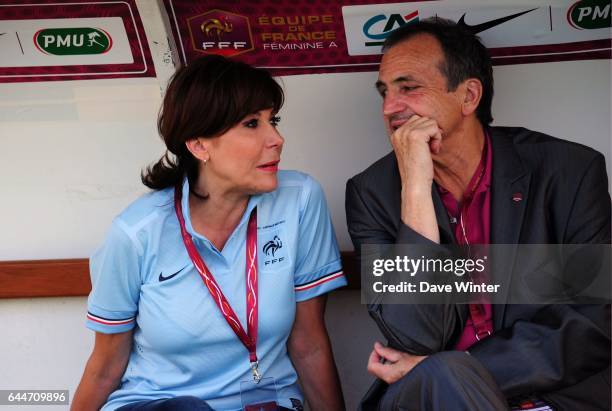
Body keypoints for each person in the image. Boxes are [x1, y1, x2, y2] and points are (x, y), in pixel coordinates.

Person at [345, 18, 611, 411]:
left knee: (450, 371)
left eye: (409, 88)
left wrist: (472, 367)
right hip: (429, 396)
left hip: (555, 395)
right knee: (444, 376)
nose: (389, 108)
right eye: (384, 92)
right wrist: (415, 189)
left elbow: (595, 321)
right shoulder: (373, 193)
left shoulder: (567, 171)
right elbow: (415, 337)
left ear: (469, 96)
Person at [72, 55, 346, 411]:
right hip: (160, 405)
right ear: (199, 145)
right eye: (252, 124)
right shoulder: (137, 231)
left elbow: (309, 342)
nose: (276, 138)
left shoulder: (300, 200)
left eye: (272, 120)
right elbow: (105, 367)